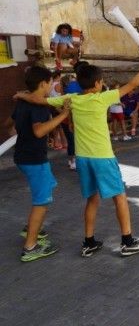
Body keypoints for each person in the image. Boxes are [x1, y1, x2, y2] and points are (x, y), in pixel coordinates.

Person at [15, 51, 139, 257]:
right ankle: (127, 241)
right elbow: (133, 84)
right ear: (99, 83)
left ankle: (89, 241)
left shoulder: (72, 99)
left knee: (92, 199)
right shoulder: (102, 98)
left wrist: (21, 95)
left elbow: (41, 101)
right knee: (120, 197)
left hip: (83, 159)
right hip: (103, 158)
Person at [8, 66, 71, 262]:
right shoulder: (38, 105)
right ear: (43, 83)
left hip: (23, 156)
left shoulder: (23, 102)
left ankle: (31, 228)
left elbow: (9, 126)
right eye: (50, 83)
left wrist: (21, 135)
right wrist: (63, 115)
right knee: (42, 201)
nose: (51, 86)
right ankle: (30, 246)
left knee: (48, 185)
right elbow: (38, 131)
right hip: (34, 159)